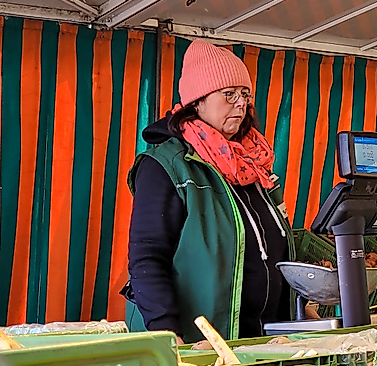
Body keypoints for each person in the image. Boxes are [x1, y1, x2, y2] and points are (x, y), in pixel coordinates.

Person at [123, 39, 294, 344]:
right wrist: (166, 333)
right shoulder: (167, 166)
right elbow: (147, 257)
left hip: (261, 341)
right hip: (198, 344)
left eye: (245, 95)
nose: (241, 103)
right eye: (229, 95)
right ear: (197, 102)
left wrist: (300, 305)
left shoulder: (253, 164)